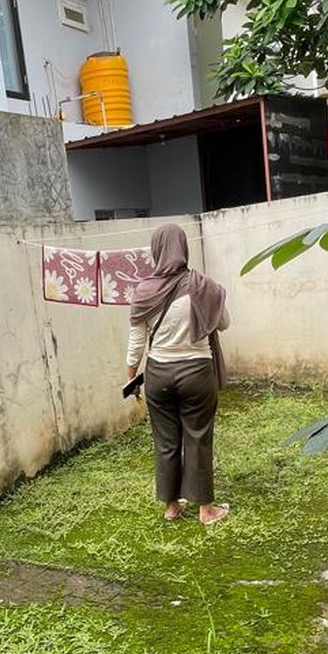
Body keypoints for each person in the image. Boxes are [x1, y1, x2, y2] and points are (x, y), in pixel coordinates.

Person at [126, 223, 231, 524]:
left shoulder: (143, 291)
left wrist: (131, 378)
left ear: (156, 250)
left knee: (166, 441)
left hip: (157, 374)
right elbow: (223, 323)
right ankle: (206, 510)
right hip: (196, 373)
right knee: (197, 438)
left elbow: (135, 342)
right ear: (183, 247)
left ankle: (172, 506)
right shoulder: (203, 286)